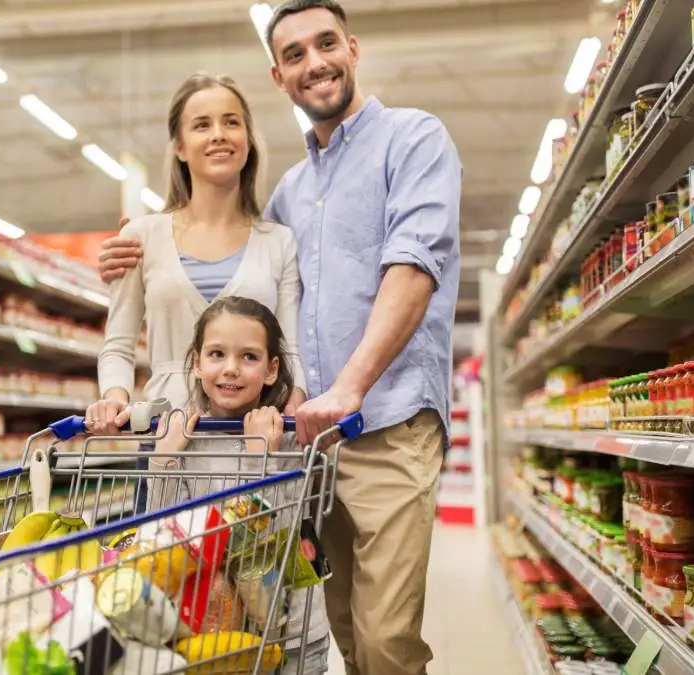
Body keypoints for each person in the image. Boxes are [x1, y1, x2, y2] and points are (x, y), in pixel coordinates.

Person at [95, 2, 462, 673]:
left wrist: (344, 388)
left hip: (377, 424)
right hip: (281, 449)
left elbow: (414, 266)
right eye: (295, 54)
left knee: (381, 638)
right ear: (280, 76)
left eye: (326, 44)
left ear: (352, 47)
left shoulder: (412, 139)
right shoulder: (292, 194)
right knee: (318, 627)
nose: (315, 62)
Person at [84, 72, 309, 508]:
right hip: (168, 437)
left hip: (252, 439)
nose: (219, 135)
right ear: (180, 147)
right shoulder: (143, 236)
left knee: (254, 564)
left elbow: (291, 348)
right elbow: (119, 343)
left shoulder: (278, 240)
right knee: (167, 564)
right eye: (201, 125)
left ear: (247, 140)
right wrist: (113, 399)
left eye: (231, 122)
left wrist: (291, 415)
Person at [148, 296, 331, 674]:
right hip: (213, 634)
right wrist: (163, 458)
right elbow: (162, 533)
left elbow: (273, 534)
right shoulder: (186, 438)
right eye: (216, 354)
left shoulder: (291, 438)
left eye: (249, 357)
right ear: (197, 363)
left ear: (271, 369)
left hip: (290, 631)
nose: (230, 369)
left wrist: (259, 456)